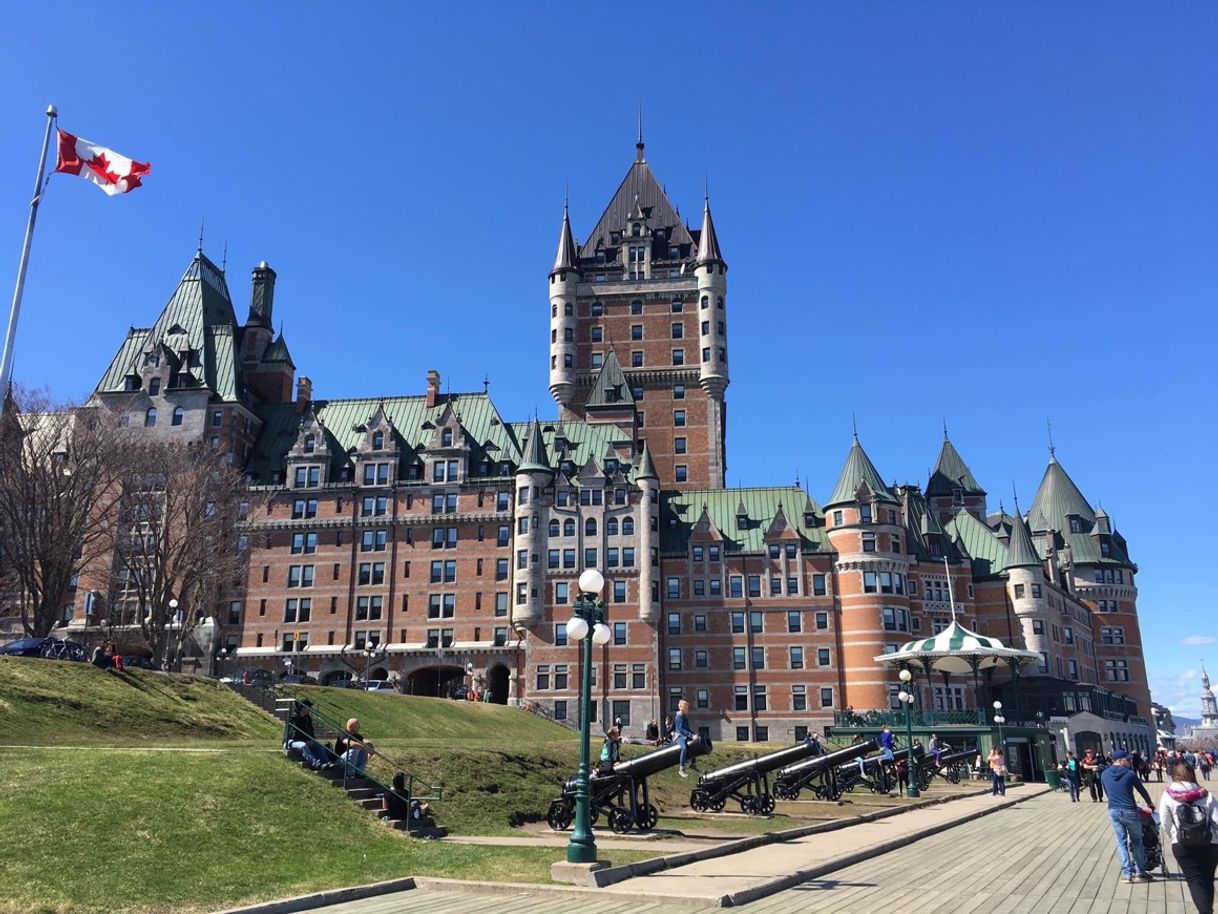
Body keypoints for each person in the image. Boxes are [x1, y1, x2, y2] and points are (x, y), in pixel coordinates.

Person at [1157, 760, 1218, 913]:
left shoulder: (1168, 796)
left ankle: (1205, 911)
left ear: (1174, 776)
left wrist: (1173, 836)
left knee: (1195, 880)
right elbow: (1217, 821)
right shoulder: (1206, 795)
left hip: (1182, 844)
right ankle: (1207, 909)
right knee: (1208, 879)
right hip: (1209, 843)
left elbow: (1165, 822)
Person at [1101, 748, 1156, 884]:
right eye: (1128, 759)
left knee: (1121, 842)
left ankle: (1127, 874)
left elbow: (1107, 793)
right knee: (1137, 841)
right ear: (1120, 760)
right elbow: (1141, 790)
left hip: (1113, 810)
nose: (1130, 761)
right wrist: (1150, 803)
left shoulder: (1104, 774)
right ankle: (1140, 873)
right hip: (1130, 811)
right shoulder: (1130, 774)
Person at [285, 700, 329, 769]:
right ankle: (317, 764)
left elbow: (311, 731)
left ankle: (326, 763)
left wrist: (312, 740)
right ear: (303, 708)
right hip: (291, 741)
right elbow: (294, 734)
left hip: (305, 740)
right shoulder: (294, 717)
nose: (310, 709)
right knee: (303, 745)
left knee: (319, 745)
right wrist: (306, 741)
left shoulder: (307, 718)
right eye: (308, 707)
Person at [674, 700, 697, 778]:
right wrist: (691, 735)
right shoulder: (679, 716)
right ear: (682, 708)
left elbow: (687, 729)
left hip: (685, 735)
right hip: (679, 736)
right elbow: (681, 730)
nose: (688, 709)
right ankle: (681, 769)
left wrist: (693, 735)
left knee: (695, 744)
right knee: (683, 748)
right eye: (686, 707)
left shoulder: (684, 717)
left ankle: (693, 764)